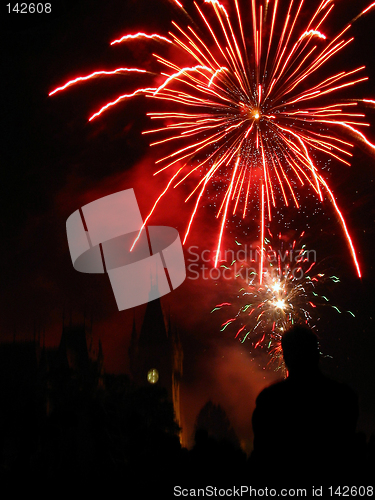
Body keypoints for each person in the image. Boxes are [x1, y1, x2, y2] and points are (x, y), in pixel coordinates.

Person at [251, 325, 358, 484]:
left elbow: (262, 457)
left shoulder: (270, 400)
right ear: (316, 354)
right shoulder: (343, 397)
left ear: (285, 356)